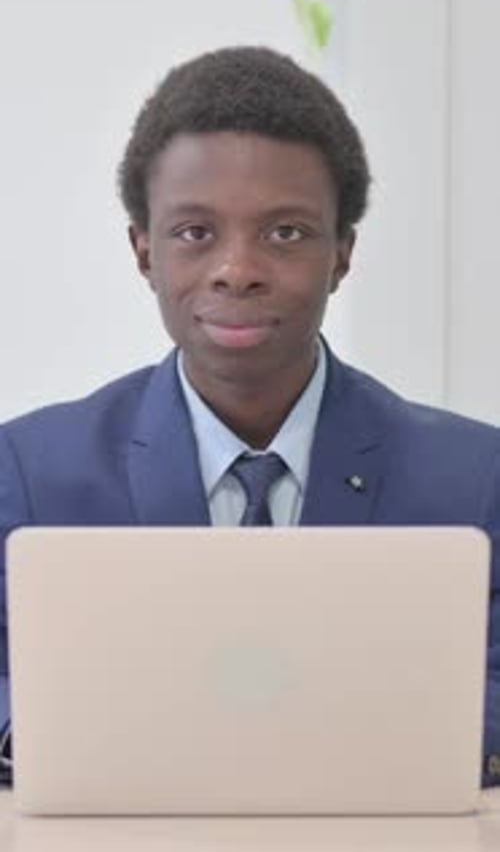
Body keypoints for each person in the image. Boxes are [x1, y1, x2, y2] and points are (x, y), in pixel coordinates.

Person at [1, 46, 500, 787]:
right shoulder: (31, 467)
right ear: (144, 251)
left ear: (342, 253)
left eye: (286, 232)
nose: (238, 268)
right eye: (195, 232)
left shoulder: (476, 476)